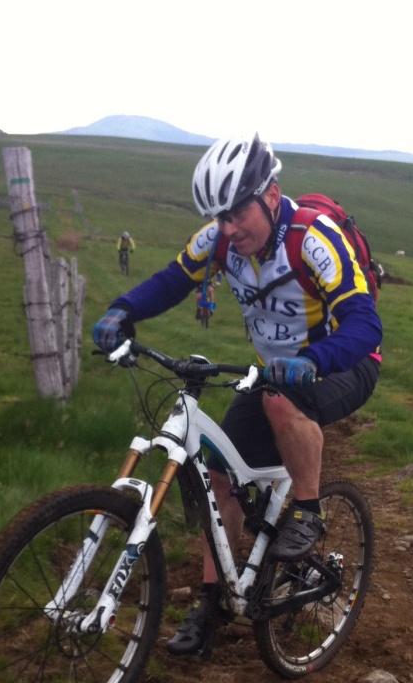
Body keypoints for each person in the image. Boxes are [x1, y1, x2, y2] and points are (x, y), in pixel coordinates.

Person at [93, 133, 382, 655]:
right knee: (219, 474)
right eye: (219, 217)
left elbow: (365, 322)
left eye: (237, 214)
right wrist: (123, 309)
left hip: (344, 361)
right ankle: (212, 602)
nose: (227, 228)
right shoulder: (220, 240)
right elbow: (172, 280)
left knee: (279, 400)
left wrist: (314, 361)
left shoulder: (312, 238)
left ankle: (308, 511)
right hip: (275, 372)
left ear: (270, 196)